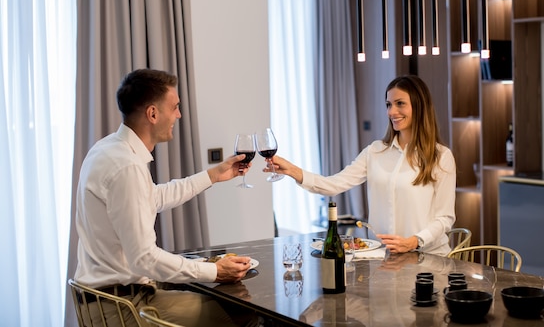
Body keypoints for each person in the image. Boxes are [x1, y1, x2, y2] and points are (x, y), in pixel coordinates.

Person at [74, 68, 257, 327]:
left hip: (103, 301)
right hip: (123, 309)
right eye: (175, 107)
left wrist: (213, 175)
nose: (179, 115)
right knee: (243, 314)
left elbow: (153, 197)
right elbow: (144, 258)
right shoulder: (126, 167)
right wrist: (214, 270)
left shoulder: (107, 149)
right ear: (152, 113)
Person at [267, 75, 456, 256]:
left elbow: (445, 218)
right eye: (388, 105)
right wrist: (292, 170)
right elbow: (334, 184)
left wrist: (415, 241)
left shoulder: (441, 157)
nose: (391, 112)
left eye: (400, 104)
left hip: (428, 257)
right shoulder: (375, 152)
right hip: (384, 257)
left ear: (419, 106)